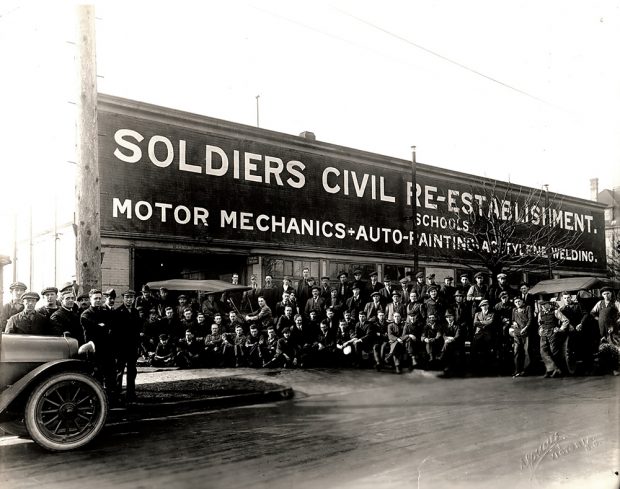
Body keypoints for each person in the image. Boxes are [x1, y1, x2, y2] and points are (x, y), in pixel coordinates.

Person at [81, 289, 117, 399]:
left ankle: (110, 400)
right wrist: (102, 327)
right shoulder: (86, 314)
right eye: (95, 298)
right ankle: (96, 401)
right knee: (97, 378)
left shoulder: (105, 312)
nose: (98, 300)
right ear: (90, 299)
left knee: (111, 376)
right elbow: (94, 331)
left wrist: (103, 327)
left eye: (99, 298)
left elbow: (112, 327)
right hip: (95, 351)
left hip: (108, 350)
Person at [112, 289, 141, 402]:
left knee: (132, 371)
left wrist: (138, 346)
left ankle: (131, 393)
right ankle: (117, 394)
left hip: (132, 348)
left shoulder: (135, 312)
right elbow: (115, 333)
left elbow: (137, 330)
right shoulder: (118, 312)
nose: (129, 299)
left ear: (134, 299)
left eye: (131, 297)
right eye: (127, 297)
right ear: (123, 298)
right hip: (121, 348)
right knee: (119, 372)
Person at [538, 300, 570, 378]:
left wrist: (561, 329)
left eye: (544, 305)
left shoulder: (555, 312)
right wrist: (540, 329)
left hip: (553, 333)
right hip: (543, 334)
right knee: (543, 352)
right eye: (541, 306)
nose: (543, 307)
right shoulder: (540, 313)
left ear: (549, 304)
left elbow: (566, 320)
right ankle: (551, 370)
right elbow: (540, 323)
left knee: (554, 352)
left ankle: (559, 371)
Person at [471, 299, 496, 374]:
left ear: (488, 305)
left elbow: (491, 322)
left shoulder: (492, 314)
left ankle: (487, 368)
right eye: (482, 305)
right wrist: (485, 323)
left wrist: (481, 322)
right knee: (474, 350)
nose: (484, 307)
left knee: (487, 351)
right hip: (478, 334)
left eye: (485, 305)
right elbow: (475, 323)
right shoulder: (477, 314)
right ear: (480, 307)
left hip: (487, 335)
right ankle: (474, 368)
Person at [510, 296, 532, 377]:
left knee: (527, 352)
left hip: (526, 333)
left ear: (522, 301)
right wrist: (514, 323)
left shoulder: (528, 308)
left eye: (519, 301)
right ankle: (517, 370)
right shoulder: (514, 310)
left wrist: (525, 328)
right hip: (517, 333)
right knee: (516, 351)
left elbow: (530, 320)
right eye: (515, 302)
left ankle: (525, 370)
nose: (517, 303)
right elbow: (512, 320)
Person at [439, 311, 466, 377]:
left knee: (447, 346)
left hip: (456, 343)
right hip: (447, 343)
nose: (448, 319)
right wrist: (446, 339)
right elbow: (443, 335)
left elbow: (457, 335)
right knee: (447, 345)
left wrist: (451, 339)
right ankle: (447, 366)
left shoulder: (458, 325)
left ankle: (445, 361)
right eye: (447, 317)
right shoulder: (444, 326)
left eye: (450, 317)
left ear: (453, 317)